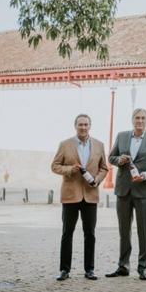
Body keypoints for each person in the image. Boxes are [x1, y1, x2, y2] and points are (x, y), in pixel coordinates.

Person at [106, 108, 146, 280]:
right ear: (132, 120)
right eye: (137, 118)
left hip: (143, 190)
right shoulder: (122, 136)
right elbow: (111, 157)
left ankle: (143, 266)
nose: (140, 121)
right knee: (124, 230)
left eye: (143, 118)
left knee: (143, 230)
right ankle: (123, 266)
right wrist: (119, 160)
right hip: (123, 189)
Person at [50, 114, 108, 281]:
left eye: (86, 124)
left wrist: (97, 180)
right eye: (80, 124)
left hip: (90, 195)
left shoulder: (99, 145)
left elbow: (104, 168)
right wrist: (69, 170)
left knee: (90, 233)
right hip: (70, 195)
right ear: (75, 126)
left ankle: (89, 269)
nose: (83, 127)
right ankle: (64, 270)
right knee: (67, 233)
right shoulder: (65, 144)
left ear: (90, 126)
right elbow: (54, 166)